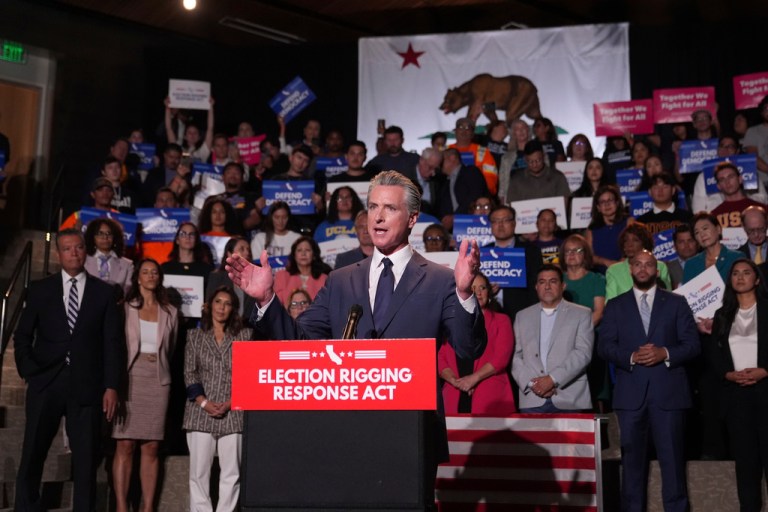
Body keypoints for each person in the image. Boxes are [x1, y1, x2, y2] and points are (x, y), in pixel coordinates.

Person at [225, 170, 486, 497]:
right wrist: (266, 300)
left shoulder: (440, 279)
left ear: (412, 218)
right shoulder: (341, 279)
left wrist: (464, 294)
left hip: (411, 433)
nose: (377, 216)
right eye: (373, 206)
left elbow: (468, 348)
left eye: (389, 208)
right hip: (346, 430)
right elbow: (302, 343)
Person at [14, 229, 122, 511]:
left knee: (86, 460)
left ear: (84, 251)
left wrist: (111, 386)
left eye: (77, 248)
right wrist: (29, 370)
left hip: (87, 386)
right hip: (46, 382)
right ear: (58, 253)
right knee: (33, 453)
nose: (73, 253)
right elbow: (23, 335)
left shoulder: (104, 293)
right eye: (66, 249)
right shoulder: (40, 289)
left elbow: (112, 343)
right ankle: (27, 506)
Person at [598, 250, 700, 512]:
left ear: (657, 271)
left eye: (649, 265)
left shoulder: (677, 303)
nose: (643, 269)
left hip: (669, 396)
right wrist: (631, 356)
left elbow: (692, 345)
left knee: (674, 467)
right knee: (631, 468)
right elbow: (605, 347)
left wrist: (664, 353)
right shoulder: (616, 305)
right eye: (638, 265)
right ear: (630, 270)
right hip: (631, 398)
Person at [112, 259, 178, 512]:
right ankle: (121, 505)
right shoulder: (124, 308)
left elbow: (169, 349)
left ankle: (148, 507)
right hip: (129, 377)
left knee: (151, 445)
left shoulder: (170, 311)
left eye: (155, 272)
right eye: (145, 272)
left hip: (157, 378)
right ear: (137, 277)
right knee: (125, 443)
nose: (150, 275)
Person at [183, 286, 252, 512]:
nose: (222, 307)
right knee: (199, 474)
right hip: (201, 411)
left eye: (227, 303)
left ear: (233, 309)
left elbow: (248, 373)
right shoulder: (195, 335)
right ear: (209, 305)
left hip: (233, 410)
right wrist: (204, 402)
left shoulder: (244, 336)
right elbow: (189, 373)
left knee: (231, 473)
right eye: (218, 302)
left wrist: (232, 402)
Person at [708, 259, 768, 512]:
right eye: (735, 273)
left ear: (757, 279)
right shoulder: (722, 315)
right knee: (745, 467)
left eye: (746, 272)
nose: (740, 277)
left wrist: (765, 370)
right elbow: (714, 355)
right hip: (736, 399)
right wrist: (728, 375)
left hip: (766, 393)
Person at [512, 264, 594, 412]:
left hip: (570, 397)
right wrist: (533, 384)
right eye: (542, 282)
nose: (547, 286)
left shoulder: (582, 314)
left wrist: (552, 379)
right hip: (532, 398)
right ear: (536, 287)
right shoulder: (522, 316)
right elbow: (515, 357)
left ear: (563, 286)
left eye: (553, 281)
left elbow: (583, 353)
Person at [438, 273, 515, 415]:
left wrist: (472, 379)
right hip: (454, 394)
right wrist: (456, 381)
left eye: (482, 288)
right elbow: (440, 357)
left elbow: (501, 358)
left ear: (489, 292)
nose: (478, 292)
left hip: (489, 395)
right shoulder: (449, 322)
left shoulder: (501, 321)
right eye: (472, 288)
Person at [486, 205, 543, 322]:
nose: (500, 225)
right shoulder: (482, 253)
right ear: (491, 225)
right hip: (488, 314)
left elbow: (536, 285)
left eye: (505, 220)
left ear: (514, 223)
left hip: (522, 314)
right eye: (496, 221)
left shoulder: (531, 251)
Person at [605, 223, 671, 301]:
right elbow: (610, 303)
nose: (629, 245)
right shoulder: (614, 270)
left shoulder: (660, 266)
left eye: (635, 240)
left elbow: (668, 298)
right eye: (626, 241)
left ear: (644, 243)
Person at [683, 212, 744, 285]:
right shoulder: (691, 264)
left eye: (705, 228)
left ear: (718, 229)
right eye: (697, 232)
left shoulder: (735, 257)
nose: (702, 234)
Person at [435, 148, 488, 229]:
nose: (439, 163)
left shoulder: (470, 171)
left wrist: (455, 217)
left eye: (442, 160)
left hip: (473, 224)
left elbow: (475, 195)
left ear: (452, 158)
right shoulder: (444, 182)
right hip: (451, 229)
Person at [207, 237, 256, 324]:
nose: (247, 252)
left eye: (248, 249)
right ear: (229, 254)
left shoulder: (255, 278)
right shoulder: (217, 276)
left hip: (248, 328)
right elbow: (209, 304)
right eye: (242, 249)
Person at [586, 184, 632, 273]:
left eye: (610, 200)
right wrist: (606, 262)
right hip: (601, 275)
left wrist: (623, 261)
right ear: (598, 207)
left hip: (627, 270)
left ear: (617, 203)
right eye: (602, 202)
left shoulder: (629, 222)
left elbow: (638, 246)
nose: (607, 204)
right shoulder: (592, 229)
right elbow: (589, 257)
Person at [506, 140, 571, 203]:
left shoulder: (558, 177)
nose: (534, 165)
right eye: (530, 162)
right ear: (525, 159)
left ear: (543, 156)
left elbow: (563, 205)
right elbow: (512, 205)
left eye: (538, 160)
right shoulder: (516, 180)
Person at [273, 236, 331, 305]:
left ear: (314, 255)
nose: (303, 254)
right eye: (299, 250)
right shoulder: (282, 276)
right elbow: (277, 305)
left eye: (307, 250)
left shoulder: (324, 279)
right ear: (294, 255)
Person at [84, 217, 134, 295]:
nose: (105, 237)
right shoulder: (83, 262)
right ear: (92, 237)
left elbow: (128, 291)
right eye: (100, 233)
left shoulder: (127, 264)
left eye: (109, 234)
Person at [449, 117, 498, 194]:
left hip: (476, 194)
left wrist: (482, 192)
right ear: (455, 131)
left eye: (468, 128)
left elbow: (490, 176)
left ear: (472, 134)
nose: (464, 130)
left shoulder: (483, 152)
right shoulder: (446, 151)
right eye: (461, 127)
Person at [710, 162, 766, 229]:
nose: (727, 182)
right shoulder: (713, 216)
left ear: (740, 179)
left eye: (730, 177)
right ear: (718, 186)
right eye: (722, 179)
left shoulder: (762, 209)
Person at [161, 222, 214, 290]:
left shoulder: (206, 269)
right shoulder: (165, 268)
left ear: (196, 240)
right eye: (183, 234)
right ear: (177, 240)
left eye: (191, 234)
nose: (187, 237)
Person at [164, 96, 214, 163]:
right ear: (184, 136)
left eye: (195, 133)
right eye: (189, 132)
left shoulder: (203, 151)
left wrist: (210, 107)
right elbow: (169, 128)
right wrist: (167, 107)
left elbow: (210, 128)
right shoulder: (178, 149)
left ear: (199, 137)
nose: (192, 135)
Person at [666, 224, 700, 289]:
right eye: (681, 242)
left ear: (697, 243)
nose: (686, 245)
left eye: (690, 241)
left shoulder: (709, 262)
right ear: (675, 246)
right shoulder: (667, 269)